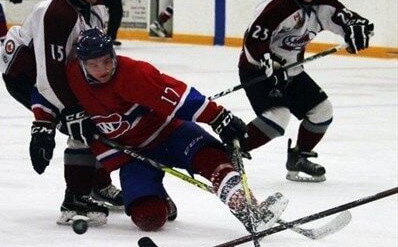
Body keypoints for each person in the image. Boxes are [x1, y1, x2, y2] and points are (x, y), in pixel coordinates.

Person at [65, 28, 289, 232]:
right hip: (134, 154)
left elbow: (177, 97)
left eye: (106, 61)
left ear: (113, 54)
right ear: (82, 63)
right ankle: (159, 197)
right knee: (149, 218)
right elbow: (48, 98)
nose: (102, 70)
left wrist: (218, 117)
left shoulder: (134, 73)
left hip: (171, 133)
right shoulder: (72, 77)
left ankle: (249, 210)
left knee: (212, 159)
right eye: (93, 65)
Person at [0, 0, 133, 226]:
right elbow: (48, 76)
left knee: (95, 120)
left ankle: (97, 184)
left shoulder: (92, 10)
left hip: (51, 73)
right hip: (24, 76)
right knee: (82, 126)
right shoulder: (57, 13)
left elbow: (82, 65)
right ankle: (74, 200)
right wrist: (58, 117)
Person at [238, 0, 373, 182]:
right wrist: (267, 61)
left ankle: (298, 158)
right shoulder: (278, 6)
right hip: (257, 69)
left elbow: (351, 21)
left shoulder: (325, 4)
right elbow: (253, 40)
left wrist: (358, 32)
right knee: (278, 116)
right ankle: (228, 153)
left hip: (292, 70)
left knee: (322, 111)